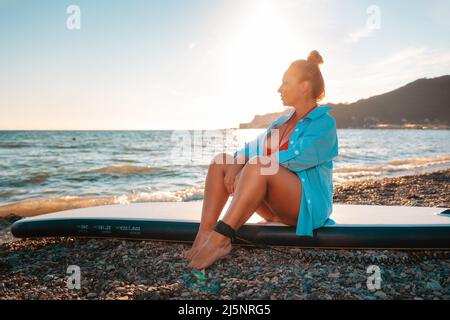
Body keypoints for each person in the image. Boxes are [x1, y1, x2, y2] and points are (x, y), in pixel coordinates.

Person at [185, 50, 339, 269]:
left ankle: (220, 240)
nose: (279, 88)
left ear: (304, 86)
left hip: (306, 208)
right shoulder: (280, 124)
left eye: (285, 83)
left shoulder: (323, 124)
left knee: (259, 164)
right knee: (221, 162)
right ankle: (204, 234)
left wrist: (250, 166)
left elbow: (297, 158)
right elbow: (250, 149)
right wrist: (238, 163)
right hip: (273, 205)